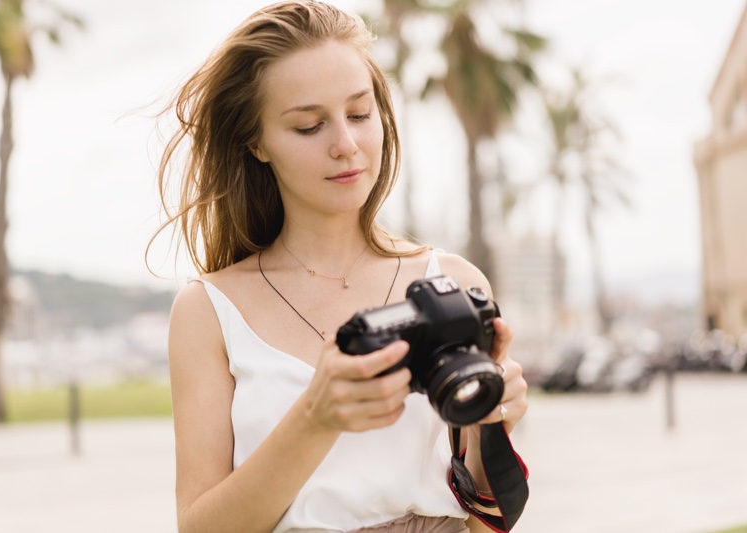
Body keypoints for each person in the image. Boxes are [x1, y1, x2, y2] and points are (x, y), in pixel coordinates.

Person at [151, 1, 528, 532]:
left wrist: (492, 424)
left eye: (359, 114)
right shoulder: (208, 311)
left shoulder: (454, 283)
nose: (346, 145)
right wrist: (316, 418)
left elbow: (485, 519)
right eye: (309, 126)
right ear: (256, 142)